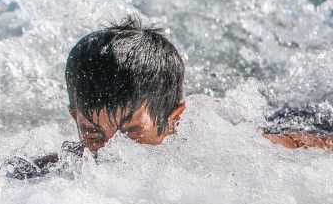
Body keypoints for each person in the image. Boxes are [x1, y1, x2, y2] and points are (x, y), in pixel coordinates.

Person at [63, 16, 333, 153]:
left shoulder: (214, 147)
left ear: (173, 120)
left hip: (297, 120)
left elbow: (297, 142)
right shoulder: (78, 161)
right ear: (75, 117)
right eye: (93, 134)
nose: (111, 152)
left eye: (131, 133)